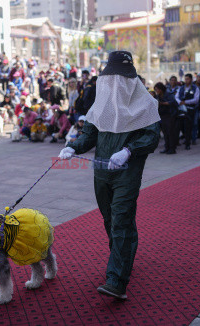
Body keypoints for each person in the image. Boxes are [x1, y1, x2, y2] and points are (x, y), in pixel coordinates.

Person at [58, 51, 160, 299]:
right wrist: (74, 146)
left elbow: (151, 136)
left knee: (121, 219)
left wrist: (128, 150)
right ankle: (124, 257)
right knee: (110, 219)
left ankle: (116, 279)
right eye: (110, 79)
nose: (114, 85)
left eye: (119, 79)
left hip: (127, 171)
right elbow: (89, 134)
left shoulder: (145, 103)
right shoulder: (101, 104)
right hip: (102, 171)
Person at [176, 73, 200, 150]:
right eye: (185, 79)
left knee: (188, 127)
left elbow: (196, 100)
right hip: (181, 110)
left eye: (188, 79)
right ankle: (184, 140)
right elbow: (176, 97)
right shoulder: (181, 88)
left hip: (190, 110)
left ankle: (188, 143)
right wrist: (180, 101)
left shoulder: (195, 88)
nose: (186, 80)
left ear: (191, 79)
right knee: (181, 126)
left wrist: (186, 102)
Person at [154, 82, 177, 154]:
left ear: (161, 89)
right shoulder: (158, 96)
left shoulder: (168, 94)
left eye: (157, 89)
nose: (156, 91)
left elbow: (172, 102)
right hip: (162, 116)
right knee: (165, 133)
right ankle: (167, 147)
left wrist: (162, 103)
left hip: (169, 115)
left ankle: (172, 148)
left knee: (170, 132)